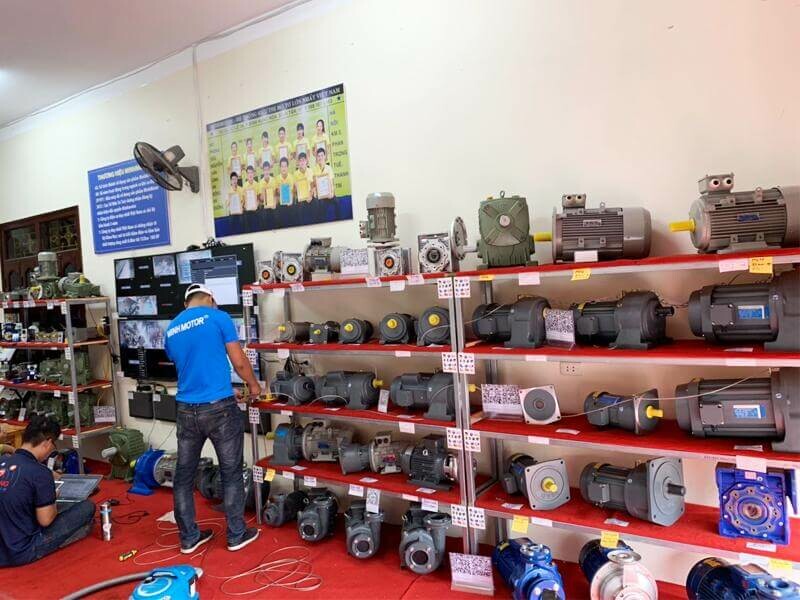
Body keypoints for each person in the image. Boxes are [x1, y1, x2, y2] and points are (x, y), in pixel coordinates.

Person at [164, 284, 262, 554]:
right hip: (220, 410)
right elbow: (239, 361)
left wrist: (226, 389)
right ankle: (236, 535)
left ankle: (189, 538)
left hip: (186, 410)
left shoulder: (171, 328)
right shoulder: (218, 317)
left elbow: (191, 366)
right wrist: (254, 386)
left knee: (183, 477)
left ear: (186, 304)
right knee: (231, 473)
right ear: (210, 298)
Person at [0, 415, 96, 567]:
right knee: (86, 507)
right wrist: (52, 496)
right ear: (48, 443)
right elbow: (46, 520)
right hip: (21, 551)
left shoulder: (3, 461)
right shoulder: (40, 473)